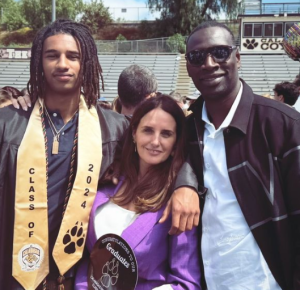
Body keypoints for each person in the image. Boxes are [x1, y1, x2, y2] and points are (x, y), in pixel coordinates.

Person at [0, 19, 129, 290]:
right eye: (52, 55)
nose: (62, 64)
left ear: (87, 63)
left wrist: (184, 184)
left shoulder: (115, 128)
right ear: (39, 62)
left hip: (78, 278)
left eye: (73, 56)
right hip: (13, 275)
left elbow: (160, 163)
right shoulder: (8, 124)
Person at [184, 21, 300, 290]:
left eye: (221, 52)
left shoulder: (284, 126)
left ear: (238, 57)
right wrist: (184, 183)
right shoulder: (187, 132)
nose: (209, 63)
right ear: (189, 67)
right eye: (197, 57)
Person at [75, 95, 201, 290]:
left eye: (166, 134)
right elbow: (89, 258)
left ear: (176, 143)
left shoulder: (178, 203)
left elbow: (186, 283)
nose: (155, 141)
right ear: (134, 132)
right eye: (148, 131)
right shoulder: (107, 180)